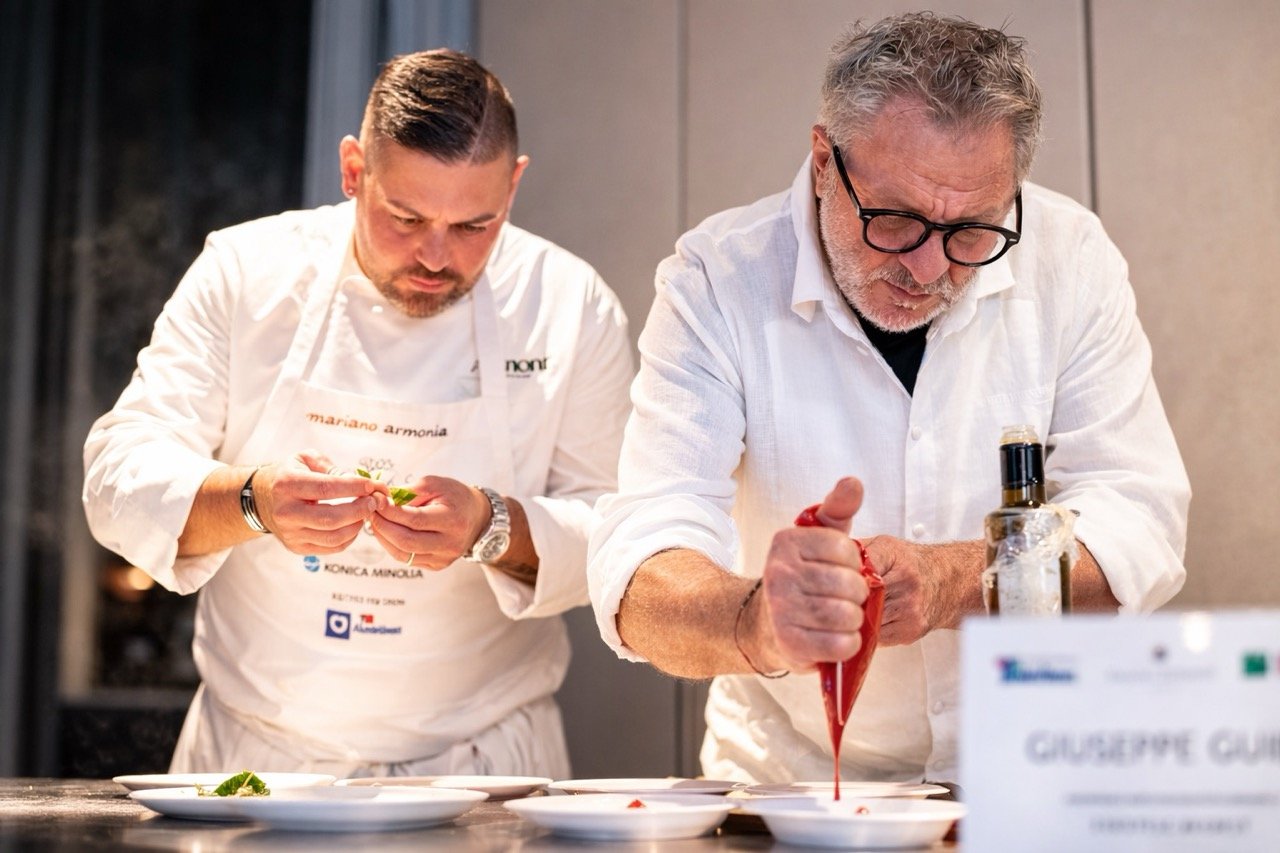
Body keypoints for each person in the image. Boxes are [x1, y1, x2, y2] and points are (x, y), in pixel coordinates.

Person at [587, 12, 1189, 786]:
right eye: (896, 220)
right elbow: (641, 563)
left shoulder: (1069, 258)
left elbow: (1139, 522)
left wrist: (954, 580)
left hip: (1036, 765)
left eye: (973, 231)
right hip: (793, 784)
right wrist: (757, 620)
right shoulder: (717, 282)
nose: (929, 267)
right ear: (820, 159)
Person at [83, 48, 634, 778]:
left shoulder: (568, 303)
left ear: (515, 183)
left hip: (485, 765)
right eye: (405, 216)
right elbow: (117, 477)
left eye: (476, 224)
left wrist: (489, 524)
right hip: (262, 758)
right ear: (353, 172)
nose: (436, 255)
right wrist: (254, 501)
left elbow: (621, 527)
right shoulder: (246, 272)